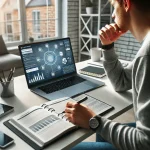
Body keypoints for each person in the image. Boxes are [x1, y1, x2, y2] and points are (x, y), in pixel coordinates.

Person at [65, 0, 150, 149]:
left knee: (70, 147)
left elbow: (144, 143)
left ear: (126, 4)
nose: (112, 15)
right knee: (102, 133)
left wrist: (93, 120)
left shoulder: (147, 55)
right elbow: (121, 82)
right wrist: (107, 45)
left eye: (114, 7)